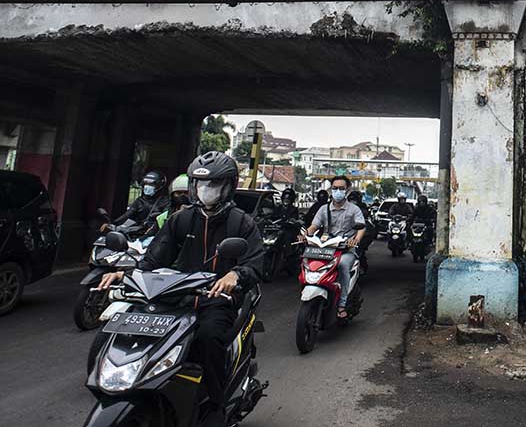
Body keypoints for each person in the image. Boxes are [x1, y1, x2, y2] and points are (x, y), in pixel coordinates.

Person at [99, 151, 264, 427]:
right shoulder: (182, 219)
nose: (205, 191)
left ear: (227, 187)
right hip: (176, 296)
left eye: (213, 185)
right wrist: (125, 273)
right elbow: (153, 259)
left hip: (216, 300)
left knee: (208, 339)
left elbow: (255, 262)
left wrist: (235, 274)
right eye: (200, 185)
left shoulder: (241, 222)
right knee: (135, 330)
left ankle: (216, 404)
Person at [305, 175, 366, 319]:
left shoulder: (354, 209)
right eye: (335, 188)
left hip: (346, 250)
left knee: (343, 265)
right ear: (330, 190)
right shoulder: (323, 209)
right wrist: (306, 234)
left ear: (347, 190)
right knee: (308, 262)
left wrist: (356, 240)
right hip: (325, 248)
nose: (337, 191)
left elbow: (361, 228)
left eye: (341, 188)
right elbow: (314, 226)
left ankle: (342, 304)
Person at [103, 170, 170, 233]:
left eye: (152, 184)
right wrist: (112, 224)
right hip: (135, 232)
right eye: (146, 183)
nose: (147, 186)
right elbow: (127, 215)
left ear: (160, 186)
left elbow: (163, 221)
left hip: (152, 233)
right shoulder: (140, 200)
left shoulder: (165, 202)